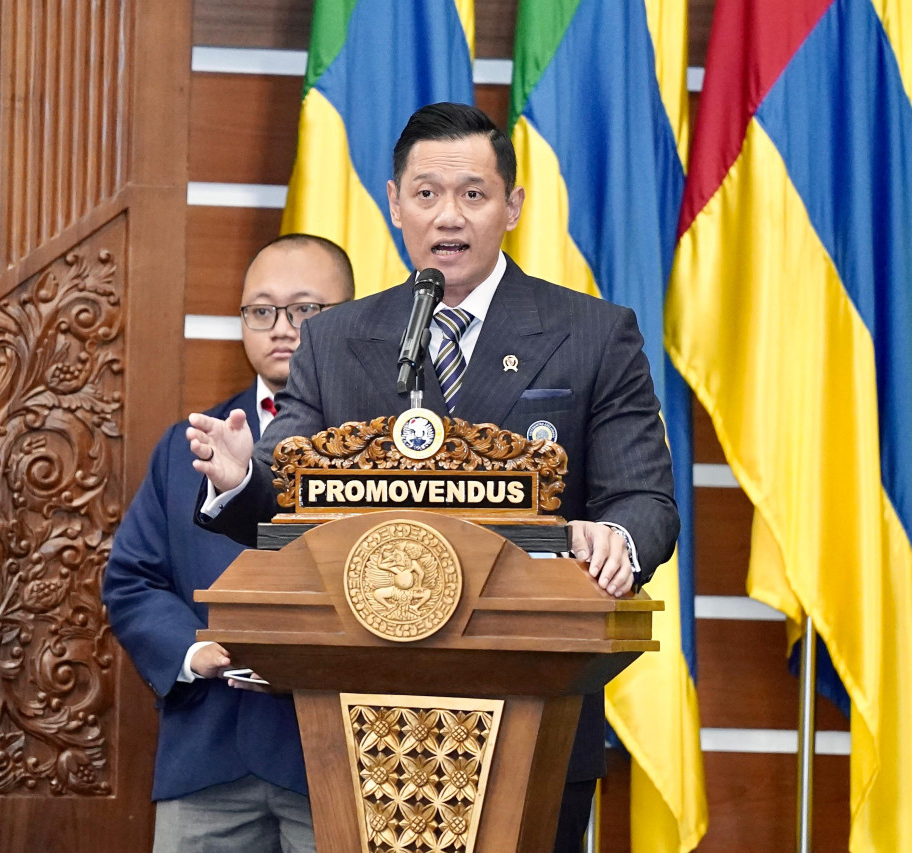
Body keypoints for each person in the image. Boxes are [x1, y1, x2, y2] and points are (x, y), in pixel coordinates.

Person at [187, 102, 678, 853]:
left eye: (473, 194)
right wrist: (241, 476)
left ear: (512, 206)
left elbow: (645, 498)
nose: (448, 216)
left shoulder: (592, 333)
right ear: (394, 203)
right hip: (365, 717)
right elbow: (292, 486)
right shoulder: (337, 336)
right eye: (426, 194)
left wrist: (613, 536)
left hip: (532, 705)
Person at [103, 234, 354, 853]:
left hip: (342, 760)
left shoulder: (388, 449)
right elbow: (132, 581)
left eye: (306, 310)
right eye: (261, 310)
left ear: (354, 316)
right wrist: (194, 652)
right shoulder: (191, 444)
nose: (281, 328)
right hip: (207, 754)